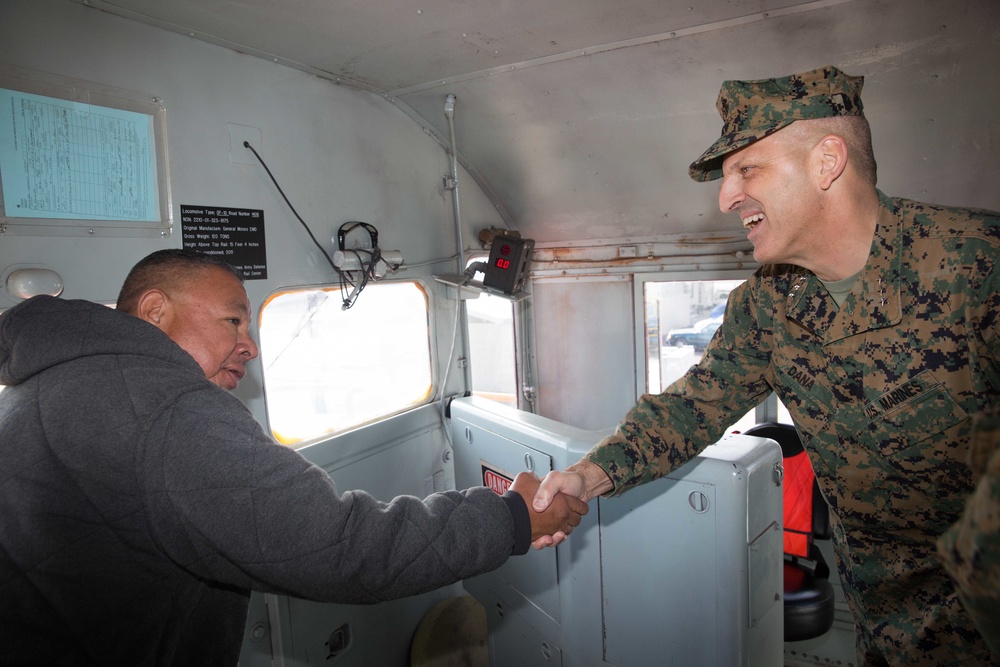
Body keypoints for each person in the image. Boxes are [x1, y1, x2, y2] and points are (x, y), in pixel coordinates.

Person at [532, 66, 999, 665]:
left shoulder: (976, 268)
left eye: (747, 170)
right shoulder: (767, 303)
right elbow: (689, 407)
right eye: (726, 178)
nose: (726, 198)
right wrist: (587, 477)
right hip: (881, 618)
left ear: (827, 161)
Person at [0, 248, 587, 667]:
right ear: (155, 311)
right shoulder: (169, 408)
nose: (251, 346)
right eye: (233, 319)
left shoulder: (46, 383)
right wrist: (512, 517)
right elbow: (341, 548)